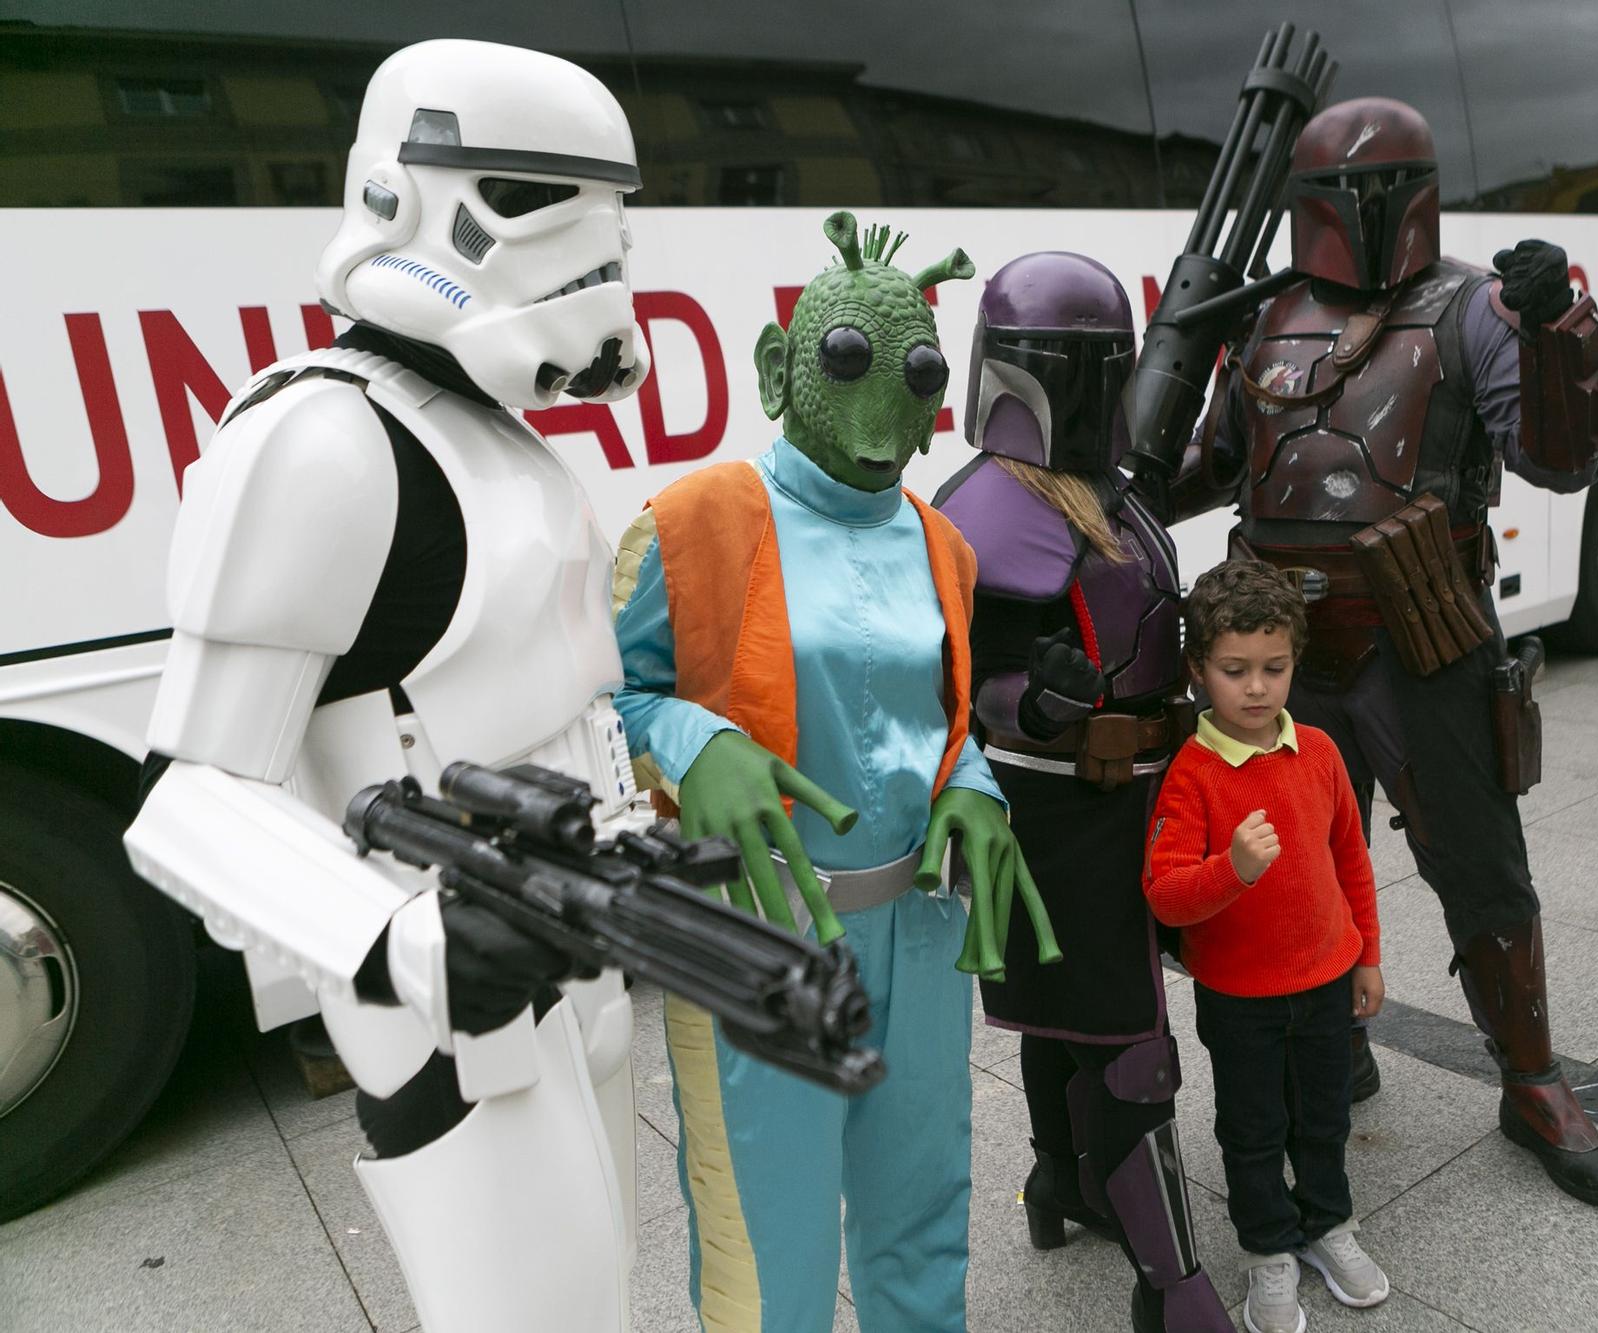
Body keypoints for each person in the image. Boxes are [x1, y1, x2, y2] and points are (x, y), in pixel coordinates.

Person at [121, 40, 655, 1331]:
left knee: (606, 1297)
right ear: (399, 196)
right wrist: (403, 942)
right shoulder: (316, 443)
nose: (589, 249)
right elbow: (188, 791)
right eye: (532, 197)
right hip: (452, 1015)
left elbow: (559, 705)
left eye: (607, 210)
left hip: (577, 968)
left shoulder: (491, 437)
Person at [1158, 96, 1598, 1206]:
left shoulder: (1472, 309)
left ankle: (1530, 1080)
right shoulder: (1265, 317)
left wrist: (1556, 327)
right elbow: (1219, 459)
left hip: (1421, 636)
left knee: (1478, 860)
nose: (1362, 217)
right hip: (1279, 648)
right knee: (1298, 861)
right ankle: (1337, 1038)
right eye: (1340, 196)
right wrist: (1105, 480)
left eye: (1382, 191)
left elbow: (1561, 461)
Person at [613, 213, 1057, 1332]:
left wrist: (974, 784)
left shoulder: (938, 539)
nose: (884, 408)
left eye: (914, 374)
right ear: (783, 369)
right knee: (772, 1241)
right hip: (758, 929)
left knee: (922, 1206)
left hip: (915, 925)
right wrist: (690, 738)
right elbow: (605, 689)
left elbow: (947, 715)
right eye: (846, 362)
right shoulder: (692, 521)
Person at [931, 251, 1231, 1332]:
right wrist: (1038, 701)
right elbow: (962, 682)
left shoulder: (1112, 492)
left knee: (1071, 1015)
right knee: (1128, 1046)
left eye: (1105, 362)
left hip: (1143, 788)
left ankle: (1059, 1179)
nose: (1091, 383)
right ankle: (1172, 1284)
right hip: (1054, 809)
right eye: (1069, 363)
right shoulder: (984, 508)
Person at [1143, 560, 1386, 1333]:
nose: (1256, 689)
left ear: (1295, 661)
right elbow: (1165, 890)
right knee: (1250, 1130)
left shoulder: (1317, 751)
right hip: (1237, 996)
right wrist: (1233, 870)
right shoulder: (1193, 773)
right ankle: (1267, 1249)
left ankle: (1325, 1224)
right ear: (1198, 671)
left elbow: (1352, 856)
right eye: (1234, 670)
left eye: (1274, 668)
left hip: (1323, 979)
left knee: (1325, 1115)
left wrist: (1367, 953)